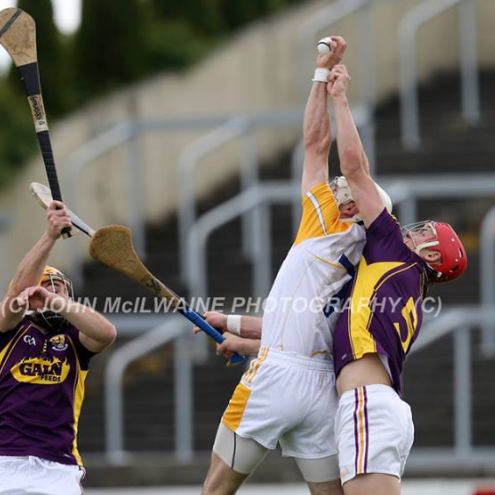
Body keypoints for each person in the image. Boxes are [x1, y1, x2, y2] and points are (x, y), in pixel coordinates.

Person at [200, 36, 391, 495]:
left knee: (214, 489)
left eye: (348, 193)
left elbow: (321, 148)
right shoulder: (356, 249)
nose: (339, 189)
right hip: (320, 385)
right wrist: (231, 324)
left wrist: (326, 79)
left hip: (280, 375)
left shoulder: (326, 226)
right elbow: (294, 321)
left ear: (361, 212)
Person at [327, 64, 468, 495]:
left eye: (426, 234)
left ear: (430, 255)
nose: (415, 230)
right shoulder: (397, 284)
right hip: (378, 405)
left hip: (369, 405)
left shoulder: (394, 253)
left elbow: (355, 169)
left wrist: (340, 98)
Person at [0, 201, 117, 495]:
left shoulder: (75, 338)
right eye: (44, 285)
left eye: (59, 286)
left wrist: (52, 300)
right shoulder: (9, 329)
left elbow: (107, 334)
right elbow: (15, 293)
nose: (51, 289)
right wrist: (50, 235)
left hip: (59, 467)